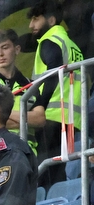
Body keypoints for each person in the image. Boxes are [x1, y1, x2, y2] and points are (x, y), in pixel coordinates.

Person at [28, 0, 84, 186]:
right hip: (72, 120)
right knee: (61, 171)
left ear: (51, 20)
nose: (31, 25)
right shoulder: (72, 45)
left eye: (36, 19)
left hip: (53, 119)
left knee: (49, 175)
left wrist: (39, 106)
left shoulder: (49, 41)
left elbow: (53, 73)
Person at [0, 29, 45, 155]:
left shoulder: (31, 84)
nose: (0, 54)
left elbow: (40, 119)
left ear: (17, 50)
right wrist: (25, 120)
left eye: (5, 47)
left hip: (25, 154)